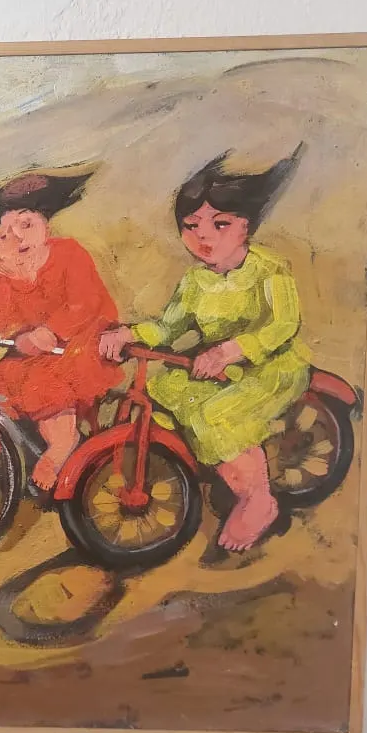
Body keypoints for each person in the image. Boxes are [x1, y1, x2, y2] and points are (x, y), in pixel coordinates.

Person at [100, 145, 309, 552]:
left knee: (215, 415)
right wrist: (129, 334)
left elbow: (283, 326)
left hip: (270, 366)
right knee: (163, 391)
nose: (203, 236)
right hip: (216, 368)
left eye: (220, 224)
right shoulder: (196, 282)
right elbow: (167, 327)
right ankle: (207, 467)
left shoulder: (269, 269)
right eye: (191, 225)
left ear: (246, 226)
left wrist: (232, 350)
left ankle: (258, 499)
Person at [0, 170, 121, 493]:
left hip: (76, 347)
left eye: (26, 225)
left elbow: (84, 304)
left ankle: (62, 445)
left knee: (48, 386)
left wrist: (50, 331)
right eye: (3, 237)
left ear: (46, 225)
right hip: (29, 354)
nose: (18, 240)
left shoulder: (68, 254)